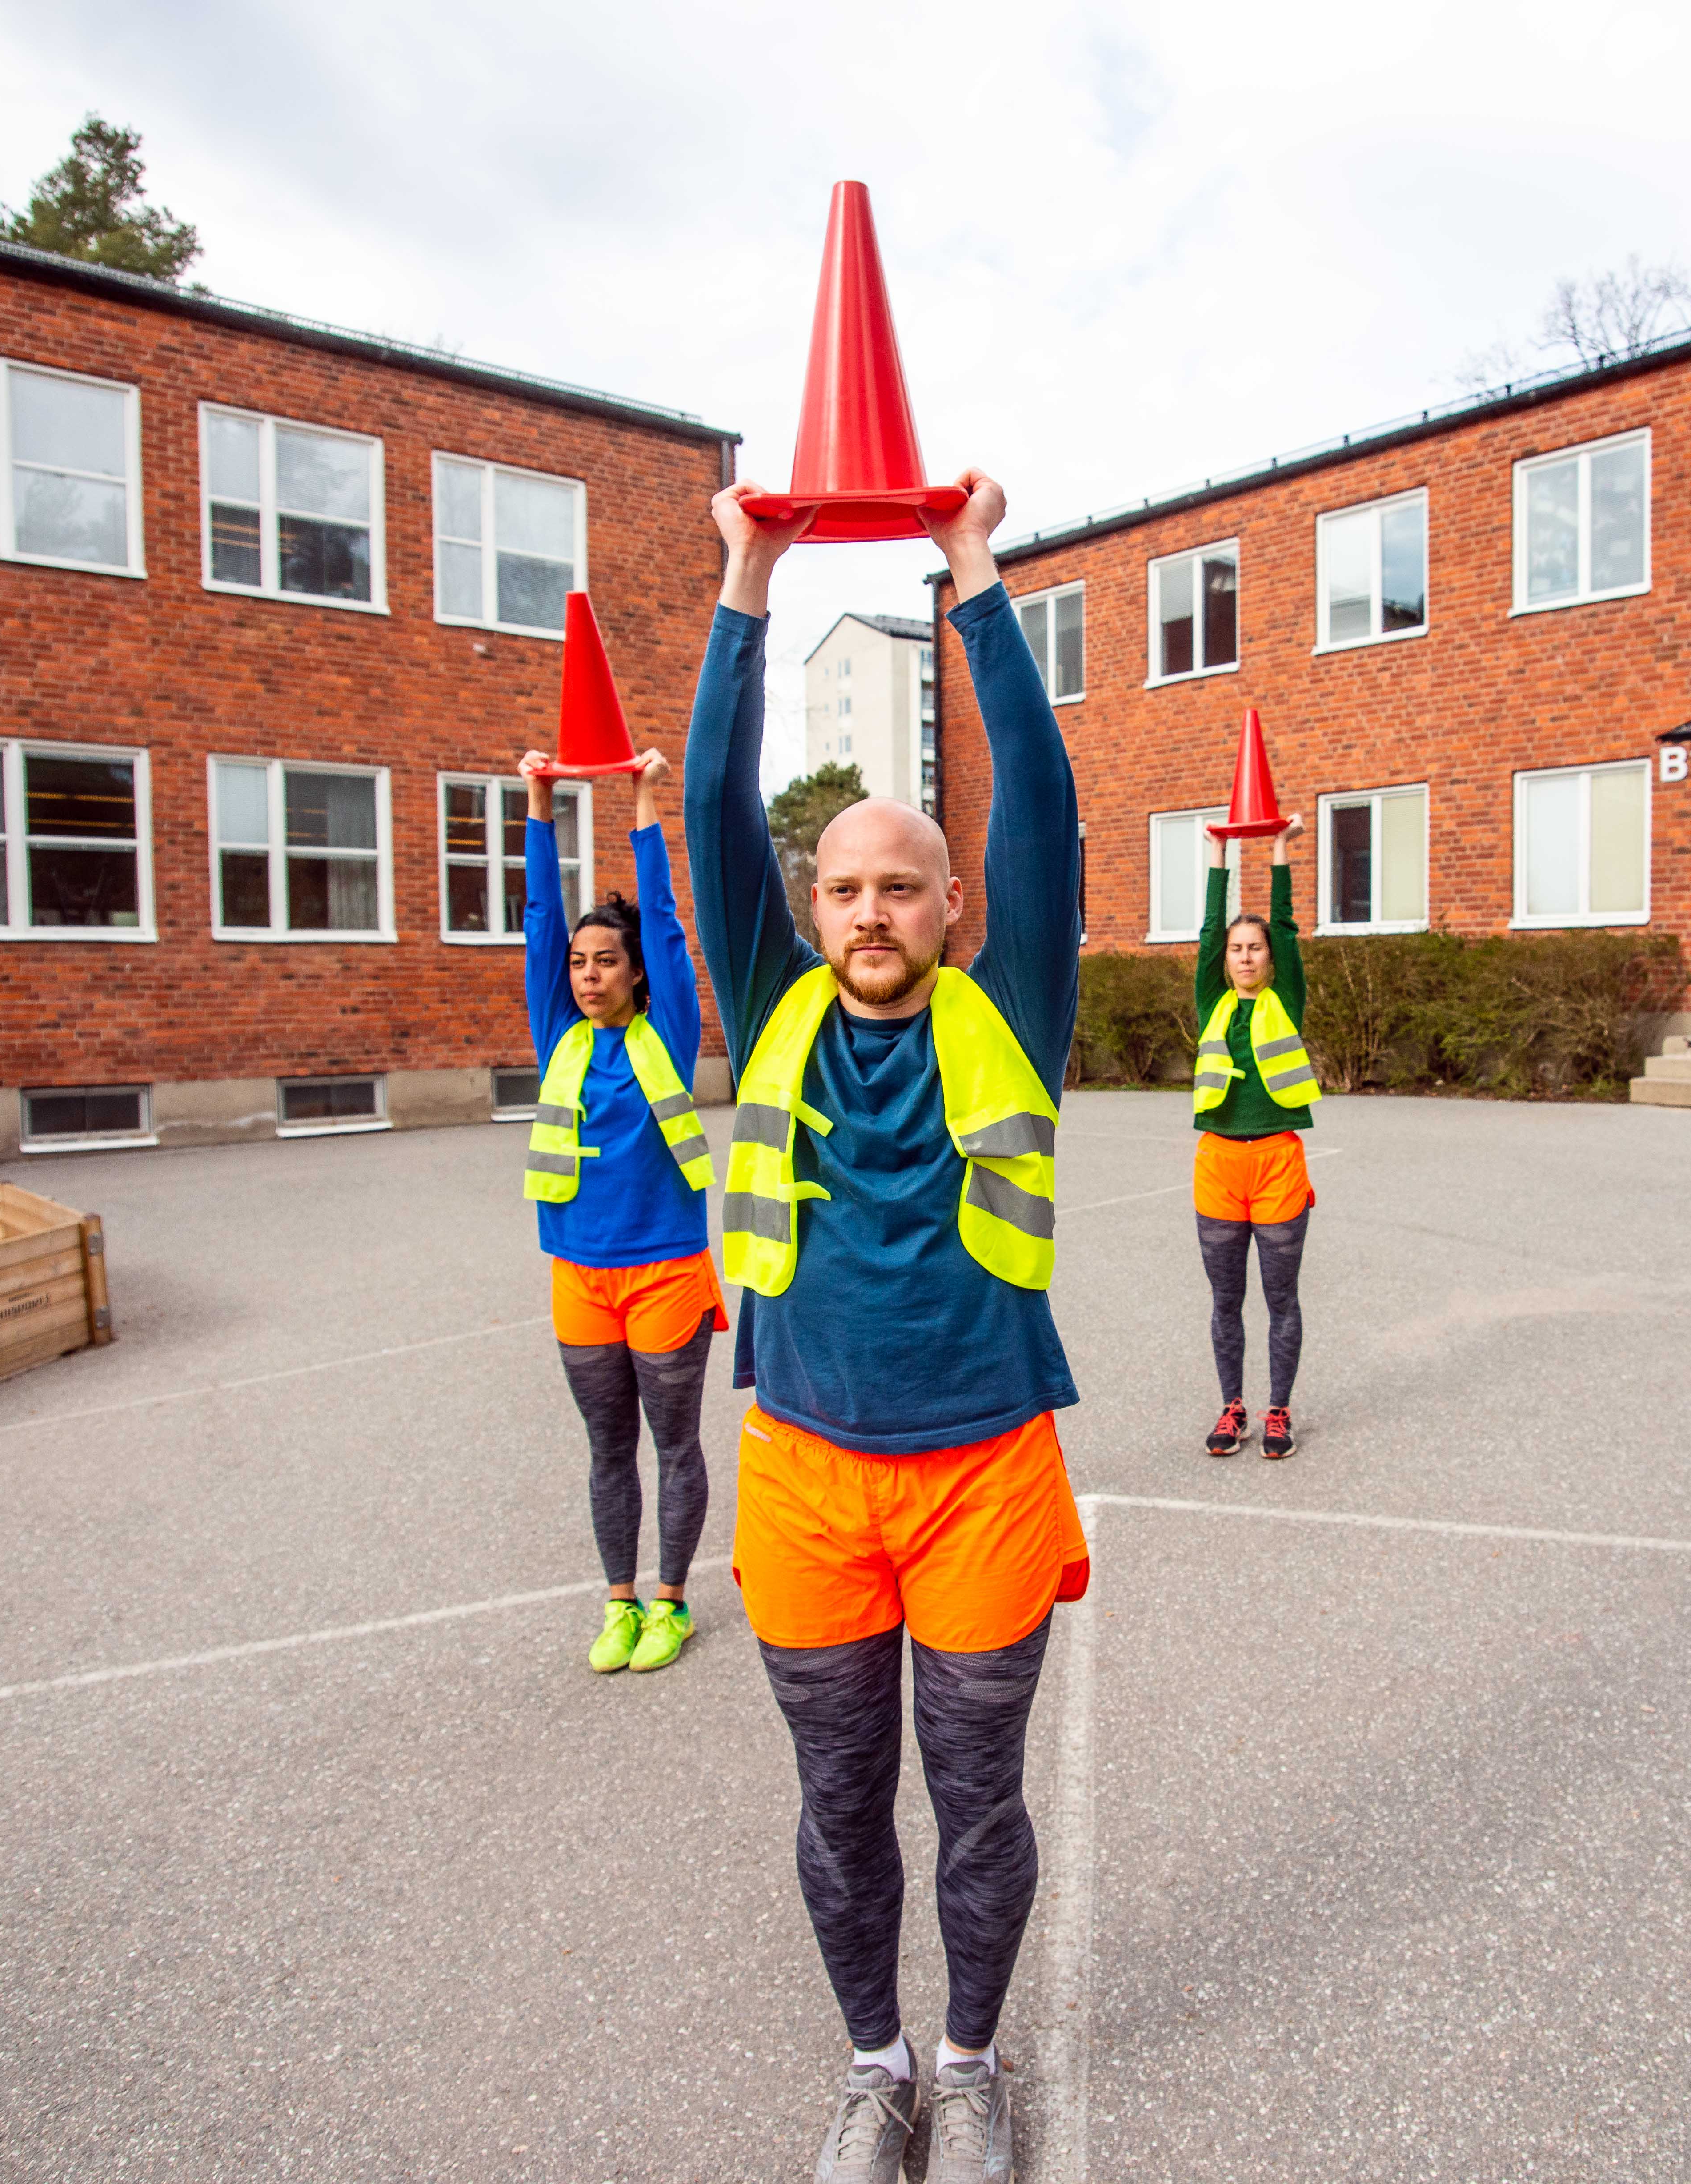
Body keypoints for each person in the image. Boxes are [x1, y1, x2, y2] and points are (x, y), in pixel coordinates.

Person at [685, 468, 1083, 2184]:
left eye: (904, 887)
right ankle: (876, 2068)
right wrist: (749, 581)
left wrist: (975, 574)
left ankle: (974, 2065)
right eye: (843, 886)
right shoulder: (772, 1003)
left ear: (951, 912)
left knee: (976, 1805)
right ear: (814, 905)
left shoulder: (1019, 1005)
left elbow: (1048, 810)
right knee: (844, 1803)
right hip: (801, 1472)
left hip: (986, 1467)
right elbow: (713, 806)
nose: (869, 913)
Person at [513, 743, 722, 1677]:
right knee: (608, 1447)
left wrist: (640, 800)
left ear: (638, 976)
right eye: (580, 962)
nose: (588, 972)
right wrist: (538, 805)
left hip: (668, 1268)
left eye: (607, 961)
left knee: (673, 1441)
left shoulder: (666, 1031)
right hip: (579, 1275)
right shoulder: (556, 1032)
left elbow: (669, 925)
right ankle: (618, 1601)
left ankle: (671, 1599)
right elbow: (535, 923)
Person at [1190, 811, 1317, 1458]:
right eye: (1238, 949)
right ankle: (1232, 1406)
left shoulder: (1284, 996)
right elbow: (1210, 933)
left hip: (1277, 1162)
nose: (1243, 955)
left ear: (1269, 960)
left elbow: (1288, 928)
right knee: (1226, 1300)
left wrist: (1275, 852)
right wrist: (1218, 856)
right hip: (1217, 1163)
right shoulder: (1211, 998)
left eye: (1255, 948)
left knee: (1281, 1298)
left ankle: (1279, 1410)